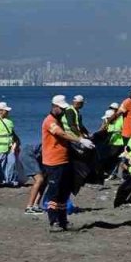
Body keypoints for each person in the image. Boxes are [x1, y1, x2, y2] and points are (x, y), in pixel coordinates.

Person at [43, 95, 95, 231]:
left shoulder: (59, 120)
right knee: (54, 192)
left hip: (64, 159)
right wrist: (80, 140)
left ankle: (63, 220)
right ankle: (53, 222)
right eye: (61, 108)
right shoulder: (50, 121)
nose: (63, 111)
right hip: (53, 161)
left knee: (64, 192)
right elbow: (62, 134)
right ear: (54, 107)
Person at [0, 101, 22, 187]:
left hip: (10, 147)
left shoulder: (9, 120)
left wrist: (16, 142)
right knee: (1, 165)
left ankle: (10, 180)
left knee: (12, 163)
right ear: (0, 111)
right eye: (5, 110)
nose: (7, 111)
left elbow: (12, 133)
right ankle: (2, 180)